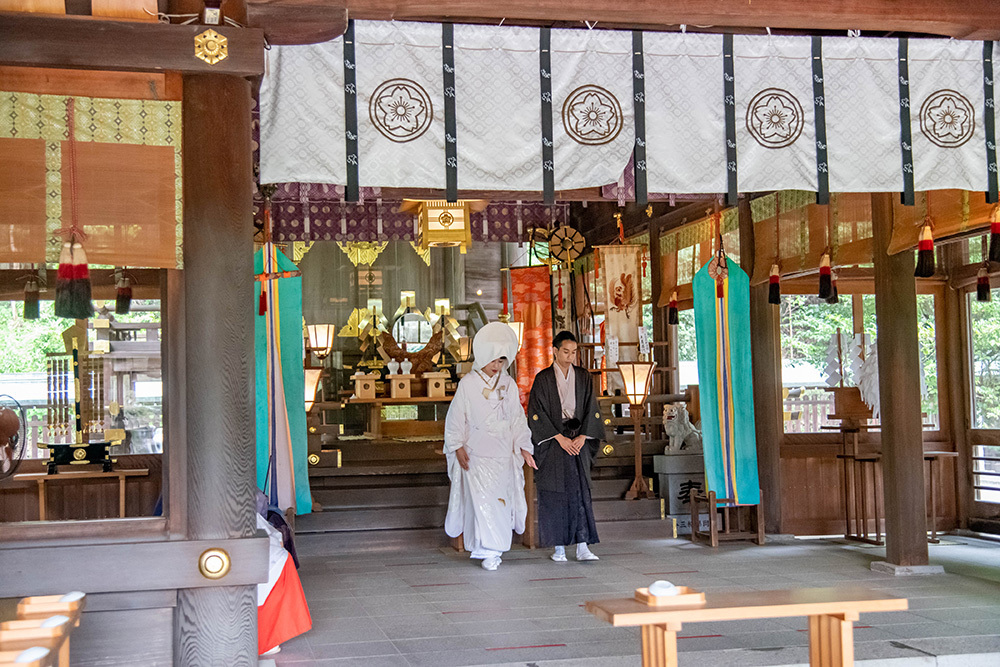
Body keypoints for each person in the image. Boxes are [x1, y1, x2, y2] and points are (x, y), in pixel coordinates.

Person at [444, 322, 537, 571]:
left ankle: (494, 549)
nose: (497, 366)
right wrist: (457, 446)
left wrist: (524, 446)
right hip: (476, 455)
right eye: (493, 360)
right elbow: (456, 418)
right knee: (481, 503)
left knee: (500, 502)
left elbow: (517, 418)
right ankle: (487, 550)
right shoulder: (468, 384)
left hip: (503, 455)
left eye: (501, 361)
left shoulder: (509, 384)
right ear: (483, 356)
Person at [528, 330, 606, 562]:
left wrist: (583, 436)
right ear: (554, 351)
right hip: (554, 441)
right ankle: (559, 547)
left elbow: (592, 408)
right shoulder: (543, 379)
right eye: (565, 351)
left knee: (580, 492)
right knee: (555, 494)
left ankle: (583, 546)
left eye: (573, 352)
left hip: (578, 438)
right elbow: (536, 413)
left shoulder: (583, 376)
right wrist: (558, 438)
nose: (570, 356)